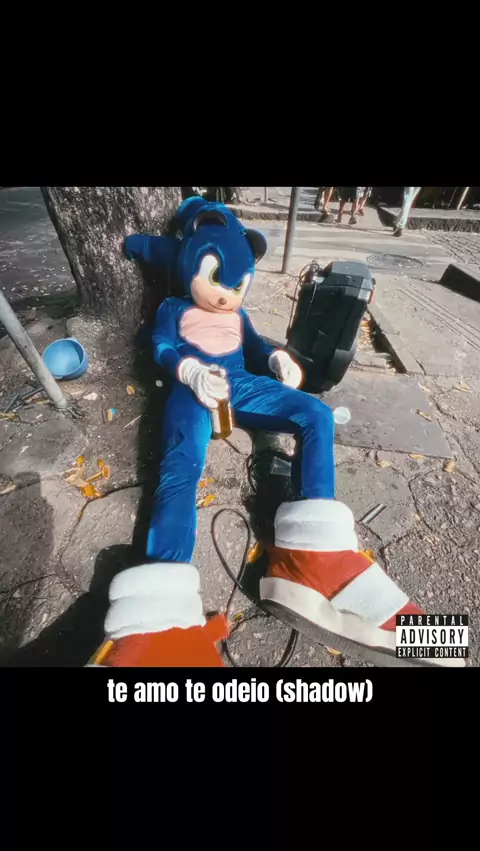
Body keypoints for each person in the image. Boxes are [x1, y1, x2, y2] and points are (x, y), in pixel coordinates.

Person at [87, 196, 463, 669]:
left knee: (316, 414)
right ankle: (160, 617)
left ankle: (314, 556)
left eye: (237, 285)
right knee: (181, 465)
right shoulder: (173, 307)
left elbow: (255, 345)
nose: (226, 296)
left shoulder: (238, 315)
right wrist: (187, 371)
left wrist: (275, 358)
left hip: (240, 383)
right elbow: (160, 345)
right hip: (194, 388)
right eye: (217, 280)